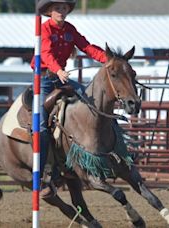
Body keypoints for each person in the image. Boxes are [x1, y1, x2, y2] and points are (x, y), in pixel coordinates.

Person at [31, 0, 108, 198]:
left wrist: (108, 60)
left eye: (64, 8)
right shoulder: (44, 29)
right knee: (40, 127)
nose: (62, 11)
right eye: (58, 8)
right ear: (49, 11)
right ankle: (41, 174)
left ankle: (99, 152)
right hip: (45, 79)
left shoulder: (70, 29)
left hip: (60, 77)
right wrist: (58, 70)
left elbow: (87, 47)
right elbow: (45, 54)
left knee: (91, 101)